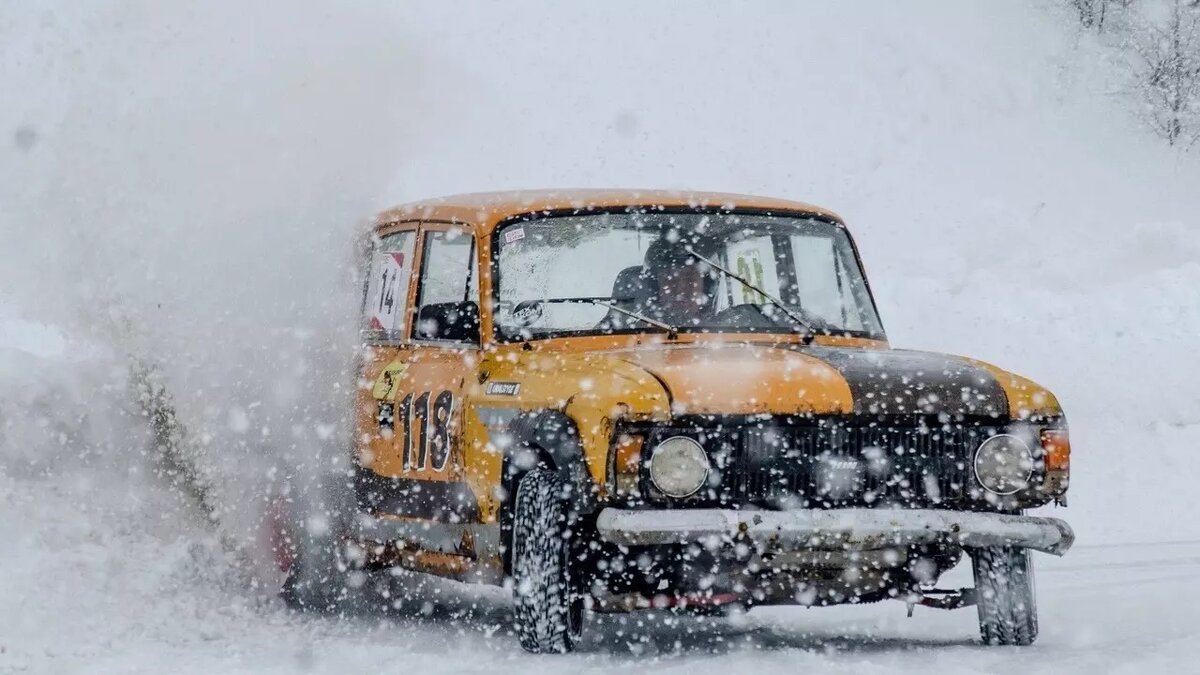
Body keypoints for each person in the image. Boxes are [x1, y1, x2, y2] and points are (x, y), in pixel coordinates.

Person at [640, 238, 715, 326]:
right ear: (655, 287)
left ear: (705, 286)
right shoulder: (632, 332)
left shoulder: (729, 329)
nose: (680, 290)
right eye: (669, 279)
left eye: (690, 279)